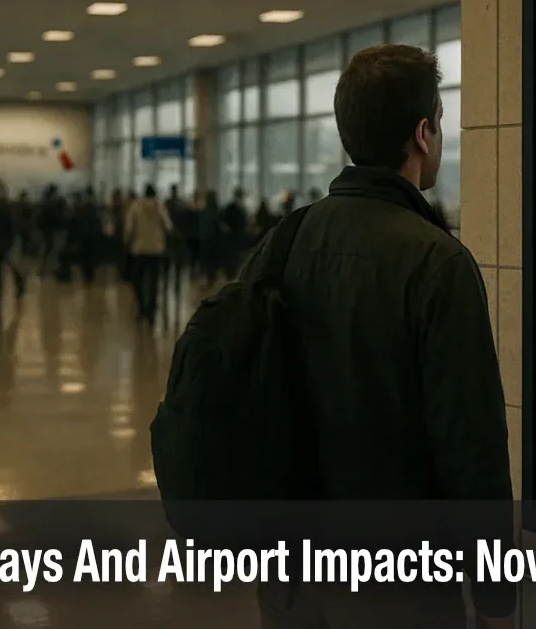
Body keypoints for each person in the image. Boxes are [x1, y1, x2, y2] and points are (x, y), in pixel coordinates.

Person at [242, 45, 514, 629]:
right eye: (440, 121)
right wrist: (494, 593)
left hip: (288, 571)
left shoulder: (283, 240)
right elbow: (471, 446)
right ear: (422, 133)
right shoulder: (437, 262)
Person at [124, 184, 173, 324]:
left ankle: (141, 308)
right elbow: (169, 227)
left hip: (139, 249)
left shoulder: (135, 206)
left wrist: (127, 242)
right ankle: (151, 310)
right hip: (157, 249)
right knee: (154, 281)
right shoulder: (160, 207)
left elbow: (129, 228)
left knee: (137, 280)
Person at [0, 180, 26, 302]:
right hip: (1, 240)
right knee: (3, 266)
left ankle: (3, 289)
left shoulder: (0, 207)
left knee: (3, 266)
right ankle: (7, 288)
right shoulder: (3, 206)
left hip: (2, 240)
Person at [219, 187, 249, 278]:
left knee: (237, 258)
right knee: (233, 258)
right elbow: (222, 221)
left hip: (238, 237)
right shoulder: (232, 208)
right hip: (233, 237)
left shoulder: (239, 207)